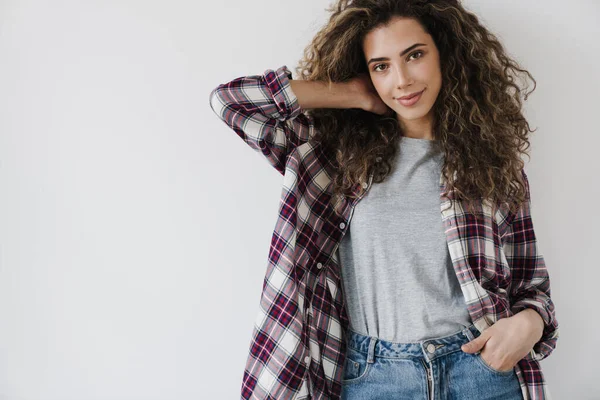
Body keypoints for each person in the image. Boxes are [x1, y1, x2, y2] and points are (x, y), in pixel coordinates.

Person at [208, 0, 559, 399]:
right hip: (374, 378)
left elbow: (531, 282)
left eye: (415, 55)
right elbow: (231, 102)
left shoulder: (491, 163)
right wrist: (352, 93)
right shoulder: (332, 155)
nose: (403, 80)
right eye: (381, 66)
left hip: (479, 370)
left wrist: (530, 323)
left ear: (445, 53)